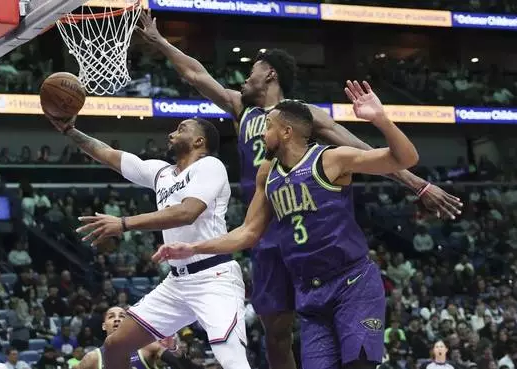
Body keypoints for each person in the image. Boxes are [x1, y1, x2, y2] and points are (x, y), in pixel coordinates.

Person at [136, 11, 463, 369]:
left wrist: (418, 185)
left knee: (332, 317)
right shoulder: (241, 109)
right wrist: (161, 42)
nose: (244, 78)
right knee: (276, 331)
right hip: (264, 227)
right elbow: (195, 74)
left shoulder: (305, 116)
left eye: (251, 71)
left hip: (310, 221)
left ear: (270, 75)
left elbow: (366, 152)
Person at [153, 83, 417, 369]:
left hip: (350, 282)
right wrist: (192, 247)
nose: (261, 134)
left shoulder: (331, 159)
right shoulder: (267, 173)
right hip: (310, 292)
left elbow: (405, 158)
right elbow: (248, 232)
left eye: (267, 127)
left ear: (286, 132)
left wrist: (380, 118)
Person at [47, 115, 249, 369]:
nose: (171, 133)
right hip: (177, 282)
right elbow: (109, 155)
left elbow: (187, 213)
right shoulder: (162, 173)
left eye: (181, 129)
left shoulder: (210, 166)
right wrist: (70, 130)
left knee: (232, 361)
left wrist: (123, 223)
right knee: (115, 345)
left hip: (213, 276)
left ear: (199, 141)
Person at [76, 306, 188, 369]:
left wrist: (174, 349)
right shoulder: (93, 358)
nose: (117, 319)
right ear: (104, 326)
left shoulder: (146, 347)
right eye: (111, 316)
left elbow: (181, 364)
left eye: (122, 316)